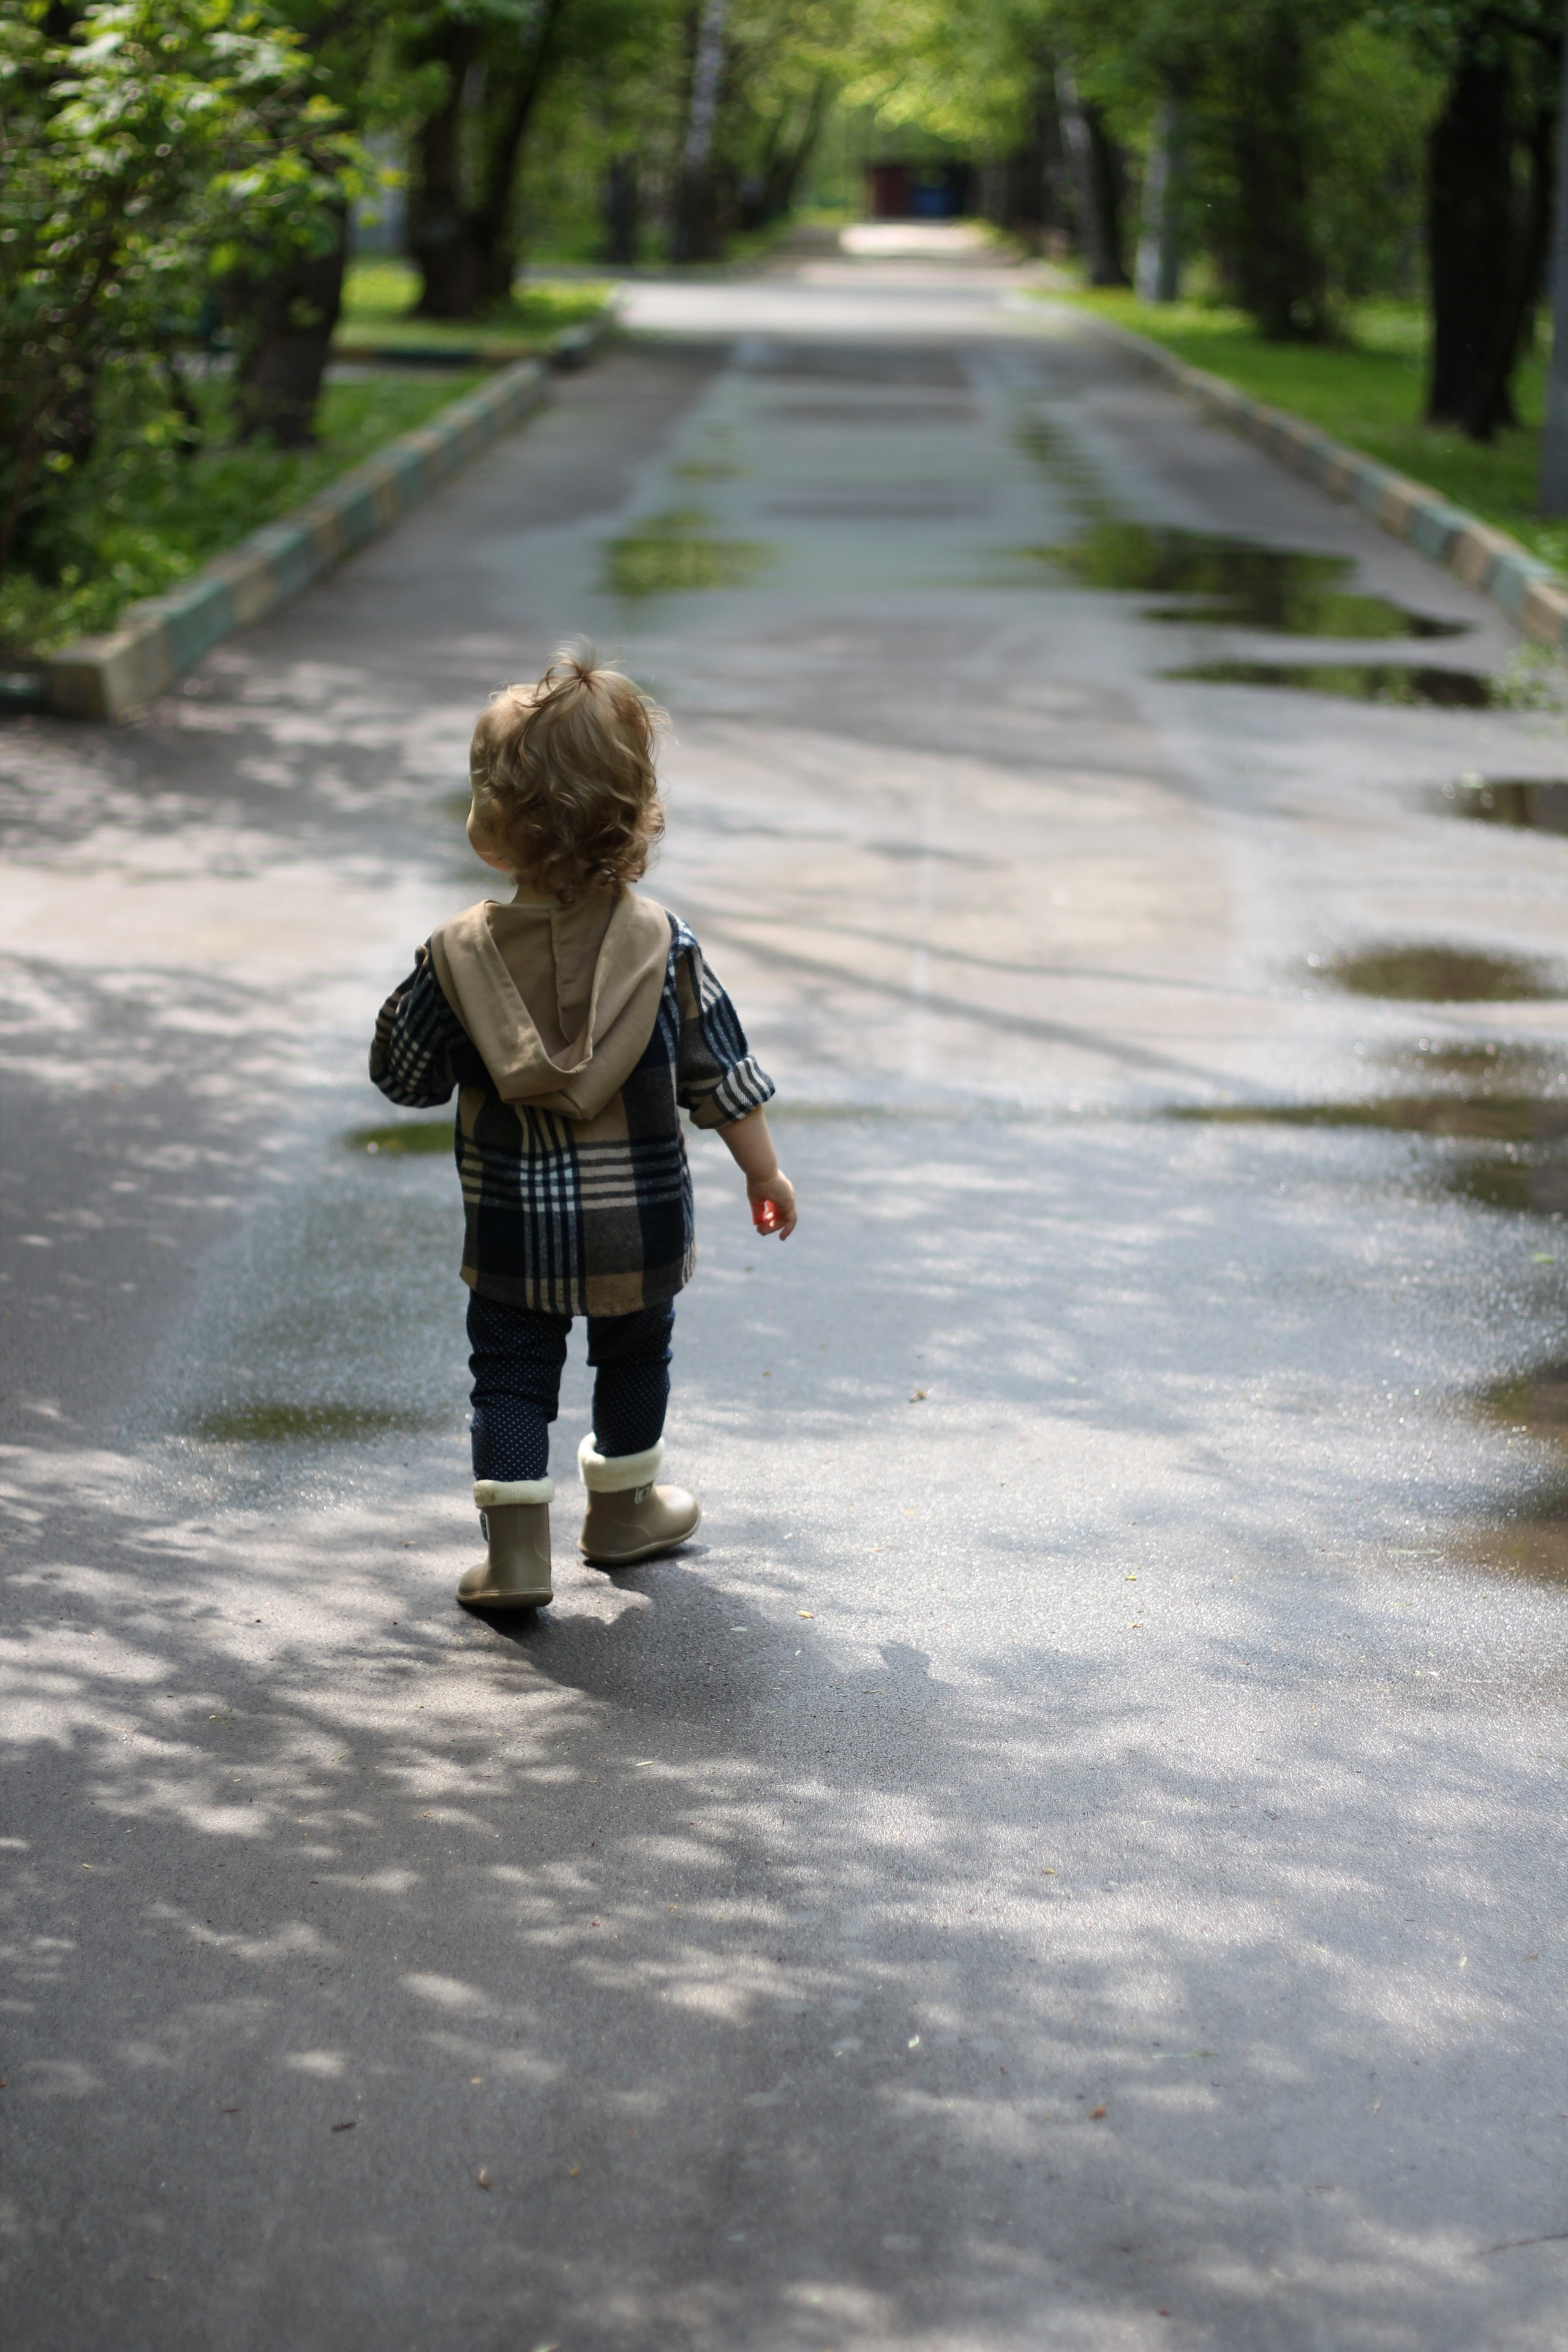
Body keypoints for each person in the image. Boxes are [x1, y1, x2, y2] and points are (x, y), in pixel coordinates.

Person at [369, 647, 796, 1612]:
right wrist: (764, 1173)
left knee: (511, 1376)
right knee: (635, 1356)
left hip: (514, 1232)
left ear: (495, 830)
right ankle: (624, 1511)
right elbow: (722, 1074)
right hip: (638, 1231)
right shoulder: (664, 945)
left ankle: (519, 1557)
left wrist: (427, 1006)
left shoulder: (458, 958)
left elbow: (404, 1078)